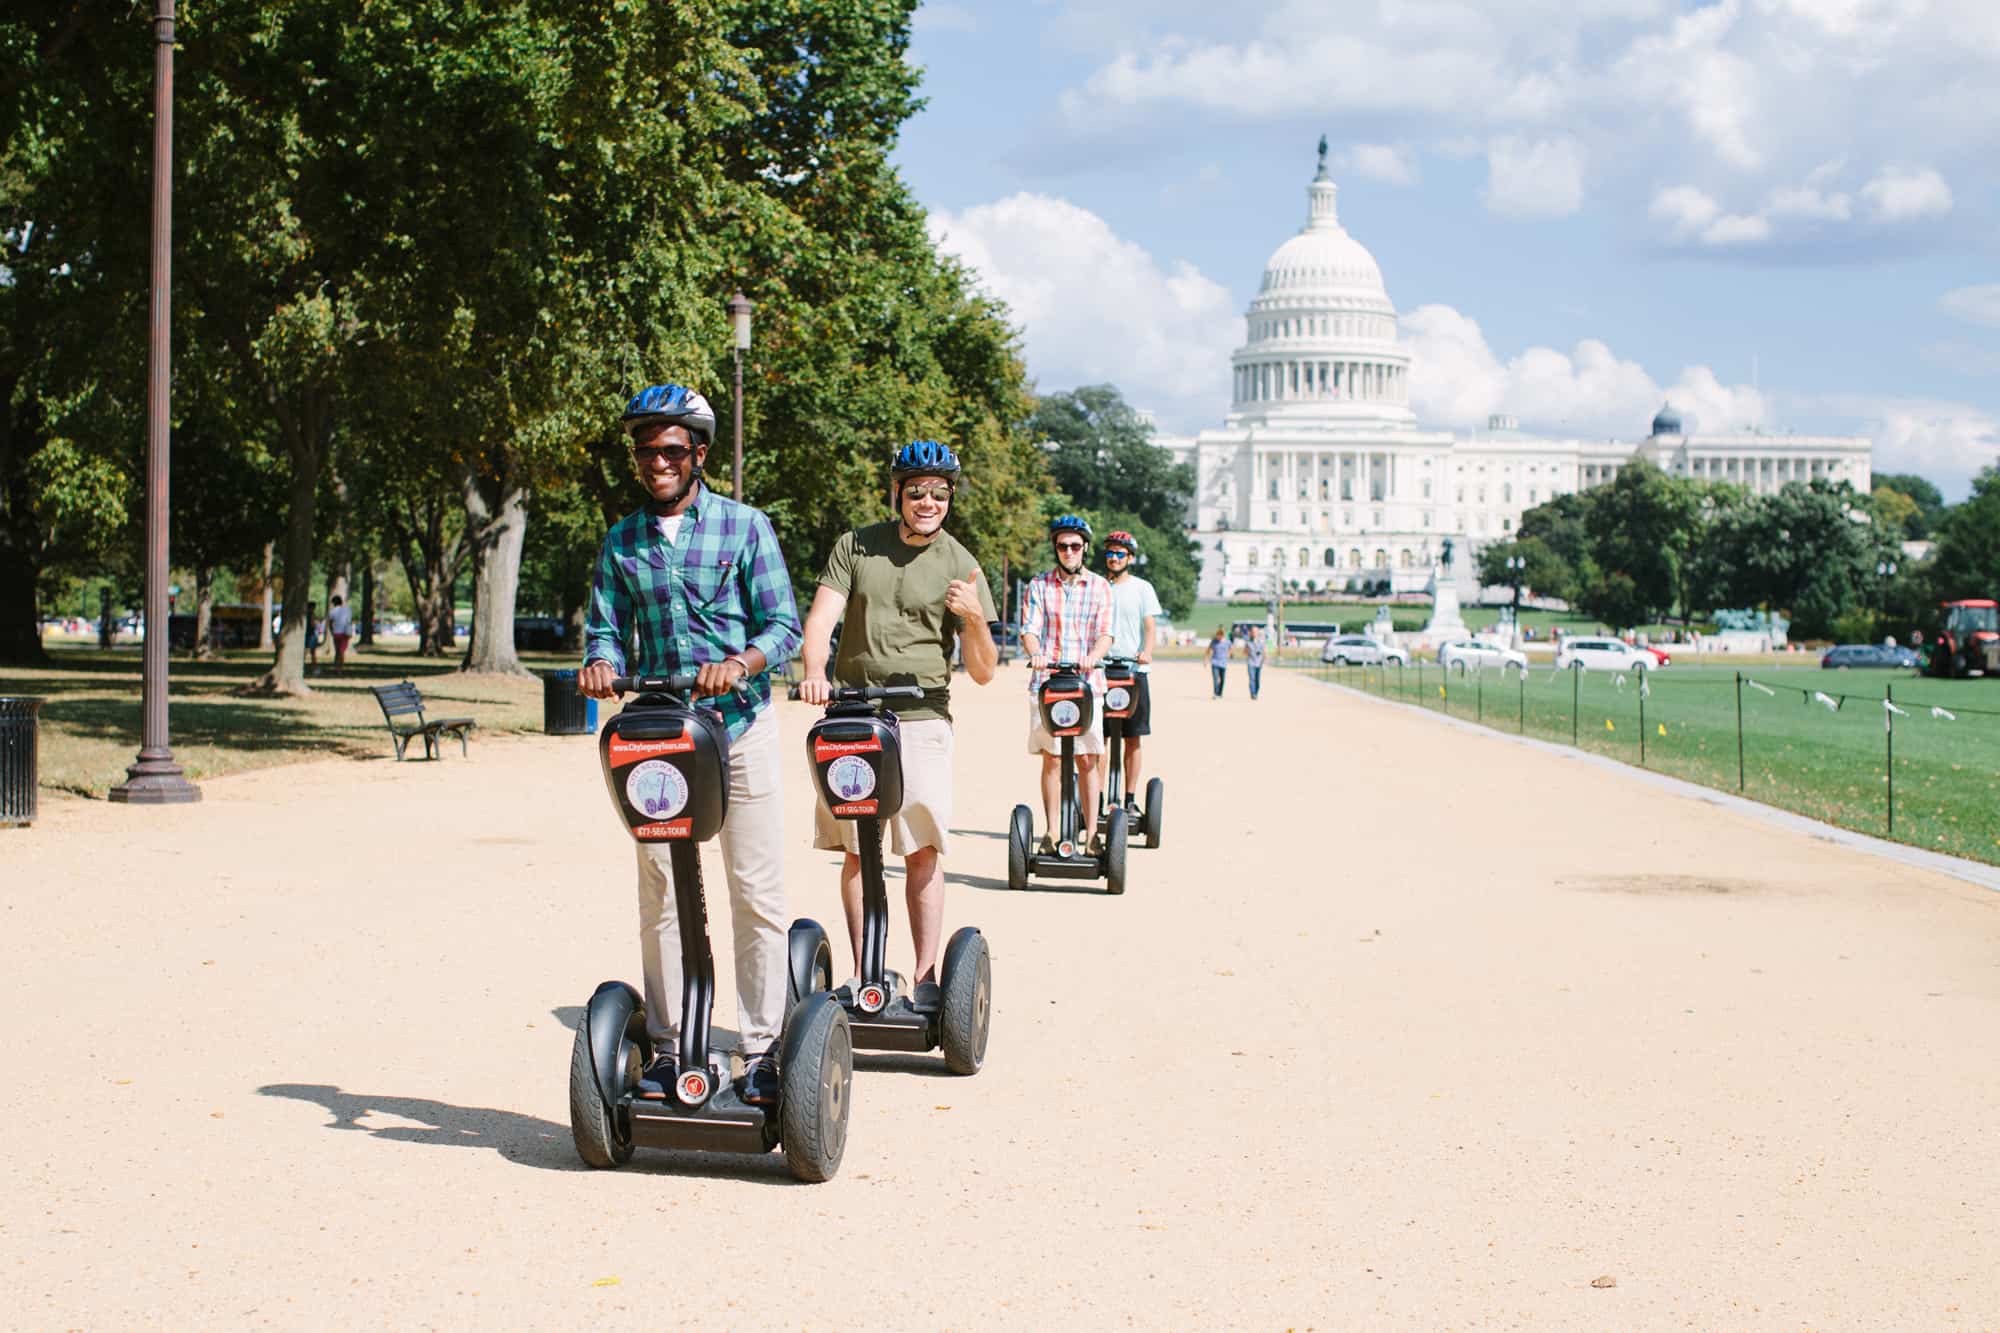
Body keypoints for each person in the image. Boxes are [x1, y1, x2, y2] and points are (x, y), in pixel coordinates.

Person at [579, 384, 803, 1108]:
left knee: (755, 889)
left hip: (737, 725)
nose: (658, 461)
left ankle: (764, 1049)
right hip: (661, 735)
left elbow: (784, 627)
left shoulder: (744, 527)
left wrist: (739, 663)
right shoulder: (622, 540)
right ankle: (672, 1046)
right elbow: (604, 627)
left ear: (699, 454)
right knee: (662, 899)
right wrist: (602, 660)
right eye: (647, 450)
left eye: (672, 449)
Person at [798, 440, 999, 1009]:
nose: (927, 502)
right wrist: (815, 669)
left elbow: (983, 672)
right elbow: (822, 618)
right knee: (859, 848)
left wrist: (975, 617)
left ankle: (927, 974)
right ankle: (867, 972)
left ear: (950, 497)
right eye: (916, 492)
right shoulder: (857, 546)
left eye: (939, 493)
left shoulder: (962, 564)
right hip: (854, 713)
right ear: (899, 493)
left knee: (921, 849)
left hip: (922, 716)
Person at [1021, 515, 1113, 852]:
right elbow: (1030, 628)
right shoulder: (1039, 586)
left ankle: (1091, 836)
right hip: (1048, 682)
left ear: (1085, 548)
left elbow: (1105, 633)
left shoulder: (1100, 587)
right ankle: (1052, 833)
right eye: (1062, 546)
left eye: (1075, 545)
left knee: (1088, 758)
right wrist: (1036, 652)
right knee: (1053, 758)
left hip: (1088, 683)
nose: (1069, 551)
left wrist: (1094, 654)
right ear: (1055, 549)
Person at [1100, 530, 1161, 818]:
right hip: (1101, 669)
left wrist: (1146, 651)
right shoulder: (1097, 586)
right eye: (1110, 553)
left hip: (1133, 670)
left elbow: (1149, 625)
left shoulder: (1142, 588)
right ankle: (1097, 796)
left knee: (1133, 737)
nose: (1114, 558)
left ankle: (1130, 797)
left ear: (1130, 558)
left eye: (1120, 553)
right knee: (1099, 738)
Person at [327, 594, 354, 675]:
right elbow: (349, 622)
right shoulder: (347, 610)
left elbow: (330, 623)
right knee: (342, 652)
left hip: (336, 633)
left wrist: (332, 631)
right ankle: (340, 669)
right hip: (345, 633)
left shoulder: (332, 611)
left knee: (337, 651)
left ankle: (336, 668)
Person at [1207, 625, 1231, 698]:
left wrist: (1228, 655)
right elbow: (1209, 650)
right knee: (1215, 678)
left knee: (1222, 679)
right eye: (1218, 635)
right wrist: (1206, 659)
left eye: (1221, 635)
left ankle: (1220, 693)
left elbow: (1230, 649)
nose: (1219, 636)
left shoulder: (1227, 642)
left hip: (1223, 663)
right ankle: (1215, 693)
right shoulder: (1214, 641)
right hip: (1215, 662)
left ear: (1223, 635)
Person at [1246, 625, 1266, 700]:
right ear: (1251, 633)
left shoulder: (1261, 642)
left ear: (1258, 633)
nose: (1254, 633)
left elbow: (1264, 653)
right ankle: (1253, 693)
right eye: (1253, 632)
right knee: (1252, 678)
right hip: (1250, 662)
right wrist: (1248, 651)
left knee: (1257, 680)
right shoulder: (1248, 642)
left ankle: (1256, 692)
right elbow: (1244, 652)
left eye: (1255, 632)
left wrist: (1263, 661)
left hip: (1258, 663)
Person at [305, 601, 322, 672]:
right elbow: (313, 625)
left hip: (307, 634)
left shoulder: (305, 615)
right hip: (311, 635)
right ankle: (314, 668)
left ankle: (303, 668)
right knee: (313, 653)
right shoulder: (312, 615)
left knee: (305, 652)